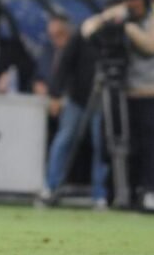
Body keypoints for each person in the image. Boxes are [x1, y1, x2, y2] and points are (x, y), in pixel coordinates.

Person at [82, 0, 154, 199]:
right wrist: (109, 17)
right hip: (125, 93)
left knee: (152, 148)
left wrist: (128, 28)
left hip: (153, 93)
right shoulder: (121, 15)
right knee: (126, 147)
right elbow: (87, 29)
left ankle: (149, 193)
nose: (132, 4)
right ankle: (123, 193)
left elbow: (153, 45)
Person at [40, 23, 109, 209]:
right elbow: (65, 63)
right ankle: (50, 186)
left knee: (101, 145)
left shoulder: (110, 38)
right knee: (64, 139)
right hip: (77, 98)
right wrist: (55, 94)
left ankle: (100, 193)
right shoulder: (81, 35)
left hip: (101, 101)